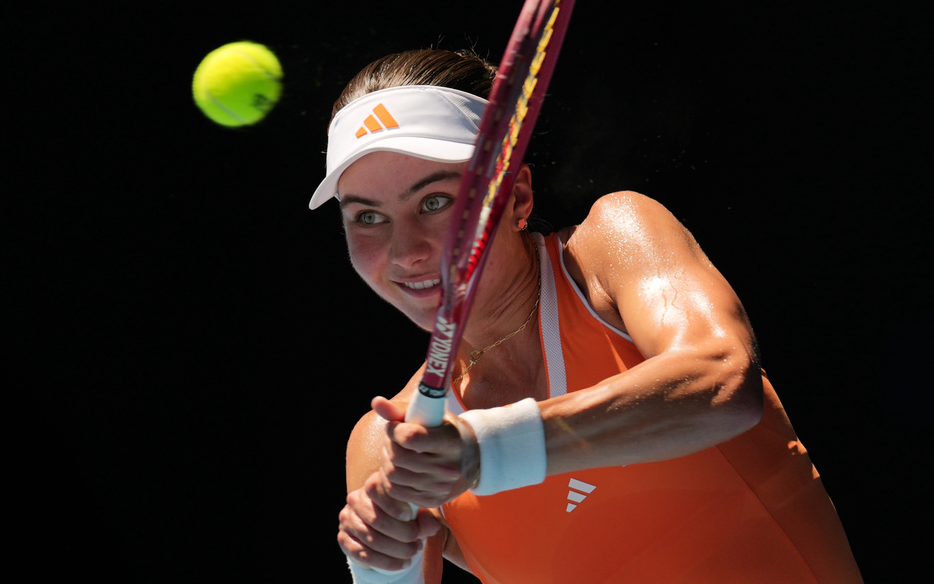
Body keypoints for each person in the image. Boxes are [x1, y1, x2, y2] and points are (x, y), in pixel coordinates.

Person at [311, 49, 862, 583]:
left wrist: (488, 448)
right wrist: (381, 566)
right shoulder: (385, 443)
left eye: (434, 201)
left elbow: (720, 381)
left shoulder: (608, 246)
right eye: (367, 216)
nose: (405, 250)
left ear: (518, 195)